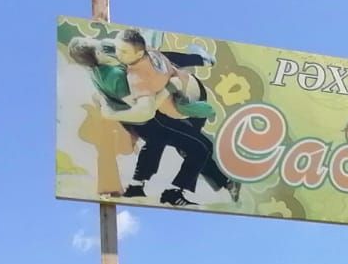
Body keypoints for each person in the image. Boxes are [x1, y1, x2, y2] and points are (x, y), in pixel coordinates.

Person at [65, 33, 239, 206]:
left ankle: (136, 186)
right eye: (94, 43)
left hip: (144, 121)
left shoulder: (99, 67)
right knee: (200, 147)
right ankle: (174, 192)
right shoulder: (118, 76)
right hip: (152, 120)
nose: (100, 42)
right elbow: (144, 110)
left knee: (160, 144)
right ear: (97, 54)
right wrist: (170, 88)